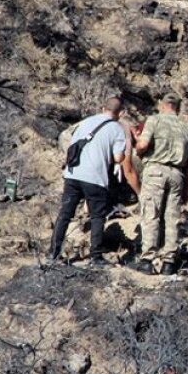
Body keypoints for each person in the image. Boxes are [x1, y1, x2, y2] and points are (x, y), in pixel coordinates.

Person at [49, 96, 128, 267]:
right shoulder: (117, 129)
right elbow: (118, 157)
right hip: (95, 178)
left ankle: (53, 253)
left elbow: (71, 142)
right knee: (97, 216)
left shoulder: (86, 122)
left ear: (103, 108)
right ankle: (96, 257)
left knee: (65, 214)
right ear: (121, 113)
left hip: (73, 174)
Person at [130, 93, 188, 275]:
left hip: (155, 170)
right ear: (178, 106)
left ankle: (147, 259)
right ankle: (169, 261)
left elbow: (143, 145)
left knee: (151, 213)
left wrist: (137, 144)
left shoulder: (154, 120)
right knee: (172, 218)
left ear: (163, 104)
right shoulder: (187, 128)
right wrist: (187, 188)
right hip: (177, 174)